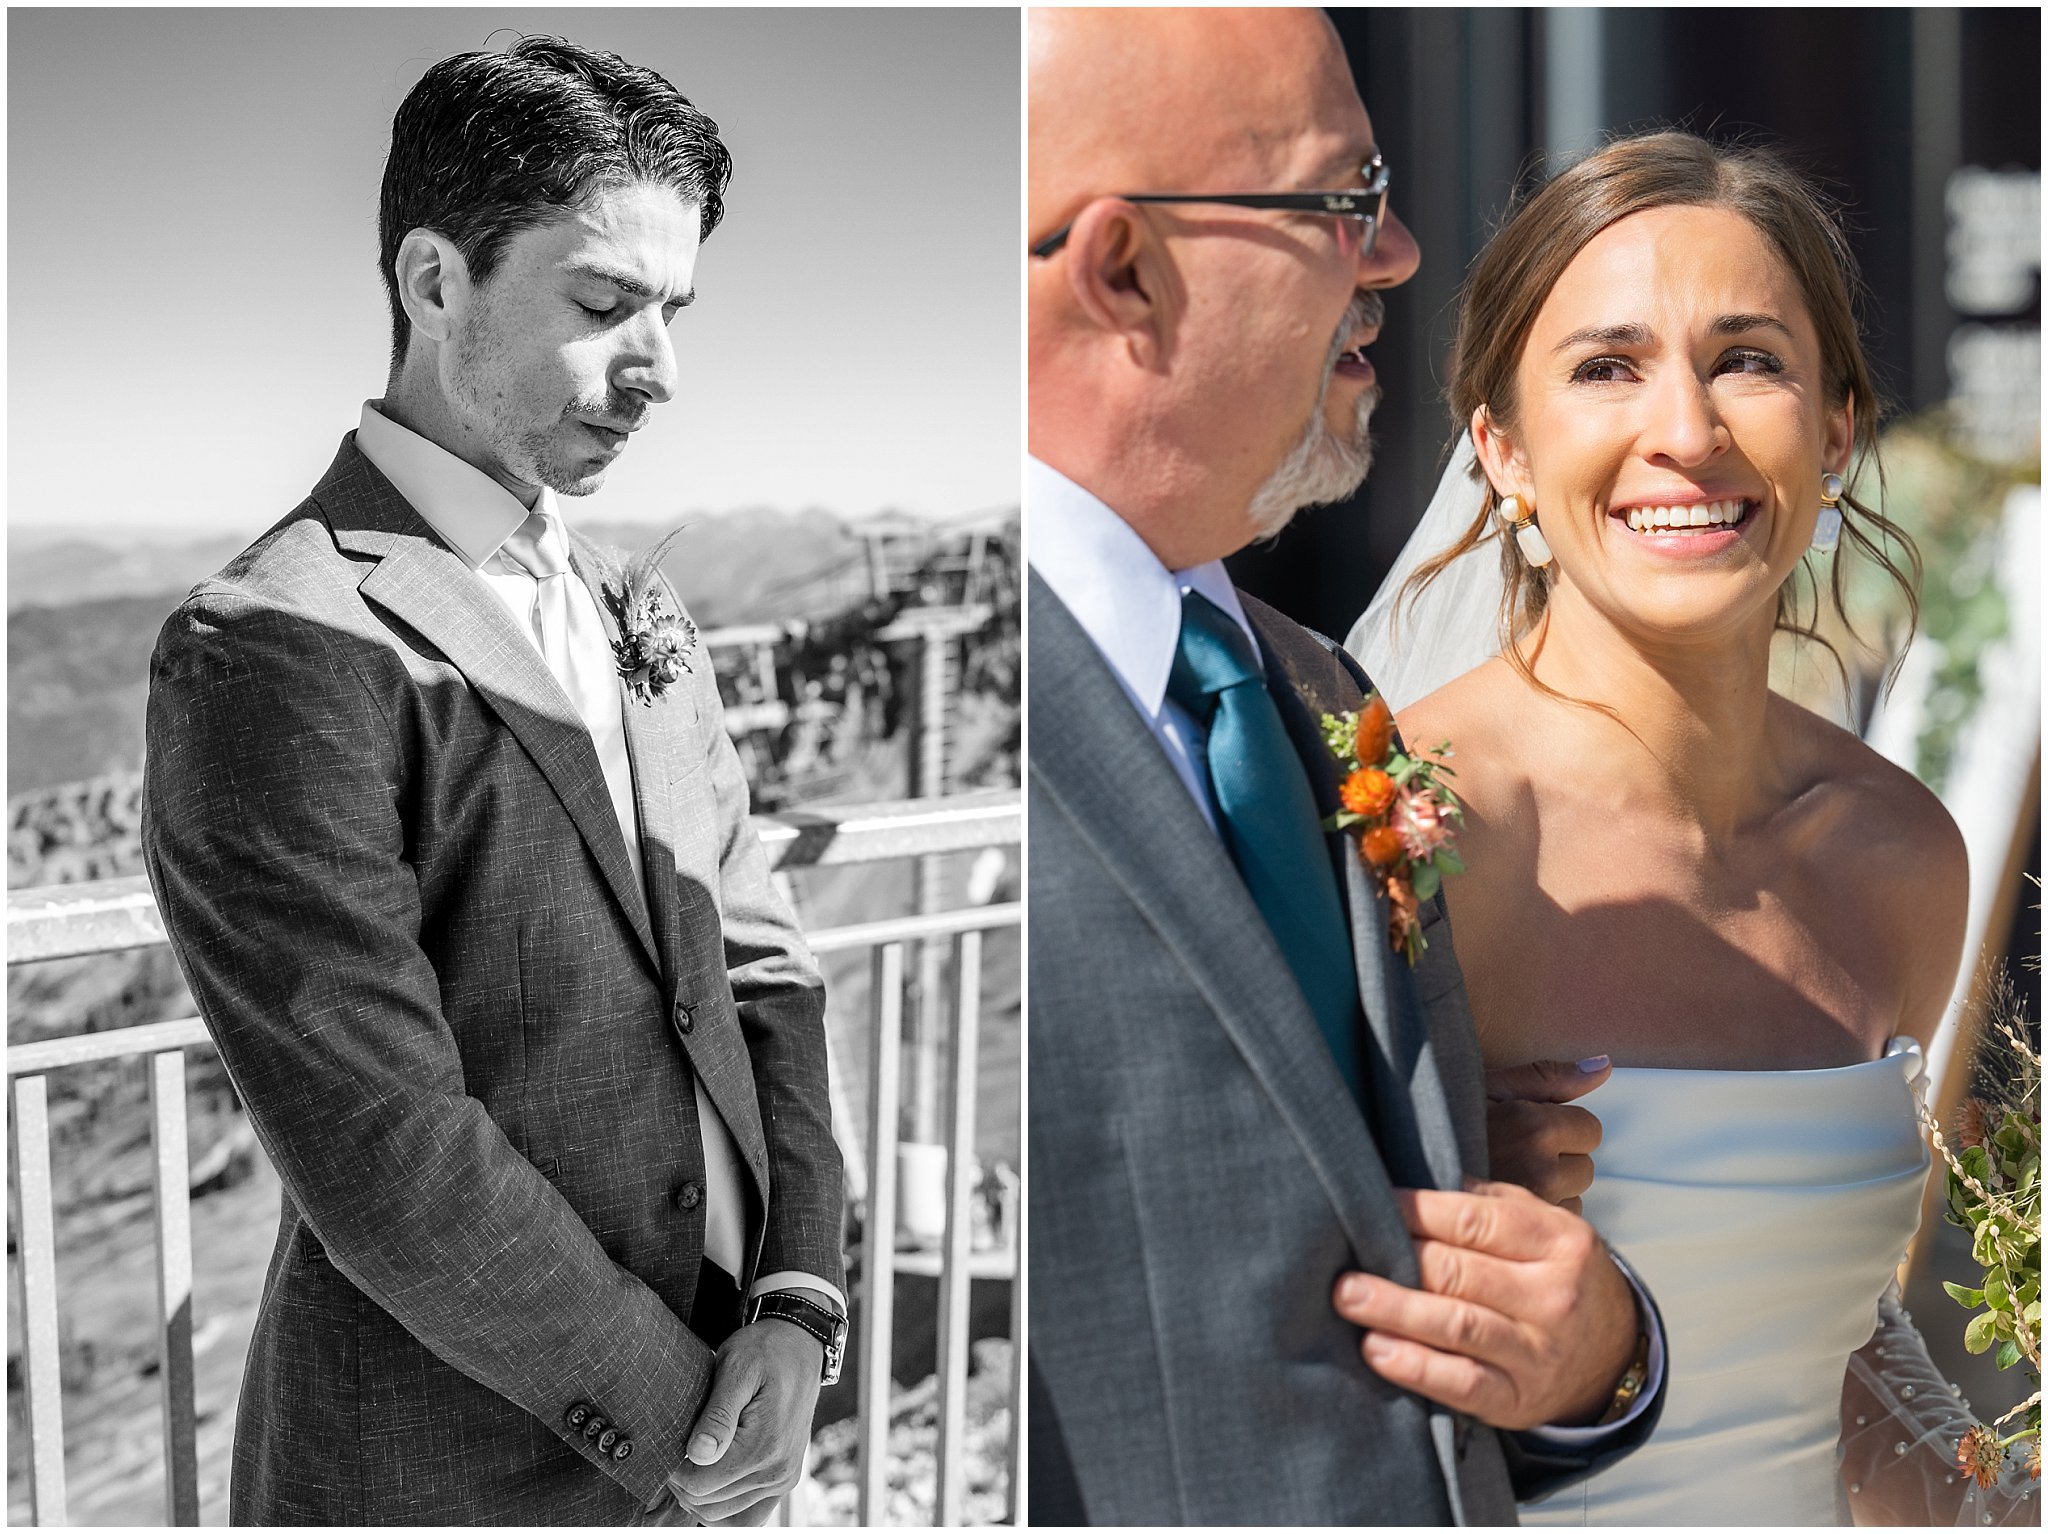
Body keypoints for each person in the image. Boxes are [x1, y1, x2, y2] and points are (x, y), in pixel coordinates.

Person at [141, 37, 844, 1525]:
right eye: (604, 304)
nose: (661, 368)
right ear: (433, 279)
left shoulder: (638, 605)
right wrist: (684, 1429)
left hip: (728, 1418)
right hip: (447, 1467)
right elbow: (384, 1144)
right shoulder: (272, 638)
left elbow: (762, 961)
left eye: (675, 310)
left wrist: (796, 1299)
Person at [1026, 9, 1669, 1523]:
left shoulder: (1318, 689)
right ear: (1125, 267)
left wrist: (1587, 1354)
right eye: (1338, 201)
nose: (1395, 251)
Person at [1346, 130, 2036, 1525]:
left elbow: (1829, 1346)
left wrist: (2000, 1494)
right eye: (1607, 367)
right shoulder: (1417, 829)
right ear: (1503, 448)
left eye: (1750, 360)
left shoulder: (1900, 856)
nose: (1687, 429)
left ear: (1838, 427)